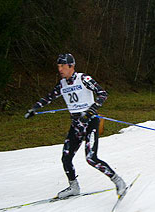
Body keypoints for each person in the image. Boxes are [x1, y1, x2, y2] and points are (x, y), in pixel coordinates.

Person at [24, 53, 126, 198]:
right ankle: (74, 187)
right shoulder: (62, 84)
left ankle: (119, 182)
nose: (60, 69)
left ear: (71, 66)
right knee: (66, 157)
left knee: (91, 158)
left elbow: (103, 94)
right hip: (76, 124)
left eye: (62, 66)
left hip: (90, 122)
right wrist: (34, 108)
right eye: (58, 66)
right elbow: (48, 97)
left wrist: (92, 109)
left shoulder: (84, 79)